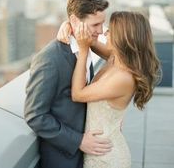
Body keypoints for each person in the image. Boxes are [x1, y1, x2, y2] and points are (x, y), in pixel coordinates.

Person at [58, 10, 161, 168]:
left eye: (111, 31)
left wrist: (83, 51)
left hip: (107, 158)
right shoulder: (116, 58)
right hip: (97, 150)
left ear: (123, 38)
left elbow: (77, 94)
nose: (105, 33)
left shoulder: (123, 78)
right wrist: (69, 25)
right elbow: (90, 39)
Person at [24, 0, 113, 168]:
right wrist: (78, 140)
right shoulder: (50, 59)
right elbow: (35, 115)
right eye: (95, 24)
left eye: (102, 23)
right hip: (62, 159)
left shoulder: (86, 46)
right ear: (74, 21)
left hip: (87, 155)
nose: (101, 31)